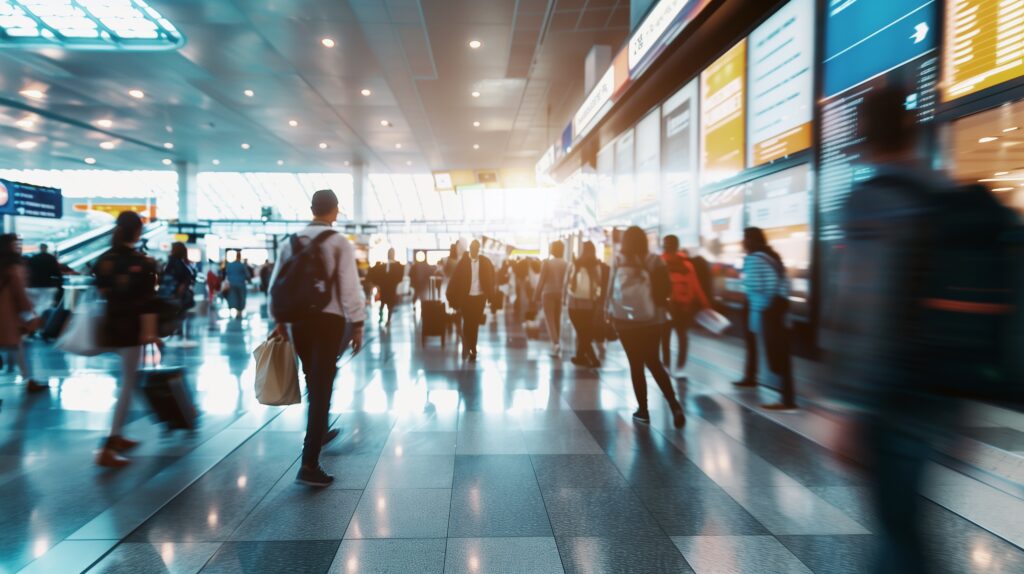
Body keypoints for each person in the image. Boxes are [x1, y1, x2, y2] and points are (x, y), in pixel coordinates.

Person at [268, 189, 366, 487]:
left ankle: (320, 428)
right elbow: (350, 287)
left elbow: (276, 283)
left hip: (299, 320)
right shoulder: (338, 242)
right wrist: (358, 323)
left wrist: (280, 320)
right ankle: (309, 463)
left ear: (312, 209)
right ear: (335, 211)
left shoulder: (292, 240)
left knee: (314, 377)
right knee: (322, 383)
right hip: (328, 319)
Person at [93, 212, 161, 467]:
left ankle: (118, 434)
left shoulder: (104, 260)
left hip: (111, 324)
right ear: (137, 232)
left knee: (130, 379)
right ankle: (109, 444)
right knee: (129, 381)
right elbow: (147, 302)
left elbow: (102, 290)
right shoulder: (141, 262)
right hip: (131, 328)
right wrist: (151, 333)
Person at [609, 226, 685, 428]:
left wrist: (607, 314)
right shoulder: (654, 260)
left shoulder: (618, 260)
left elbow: (610, 291)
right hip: (653, 320)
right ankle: (674, 404)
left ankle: (643, 410)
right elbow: (665, 291)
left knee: (636, 364)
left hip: (625, 320)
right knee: (654, 361)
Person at [738, 227, 796, 411]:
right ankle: (786, 398)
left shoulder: (754, 259)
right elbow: (785, 283)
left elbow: (755, 288)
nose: (742, 242)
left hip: (766, 311)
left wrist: (757, 314)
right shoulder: (773, 256)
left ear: (750, 240)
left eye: (745, 238)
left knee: (775, 355)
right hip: (780, 308)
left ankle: (786, 400)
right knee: (781, 354)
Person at [0, 234, 46, 394]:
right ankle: (29, 380)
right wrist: (31, 314)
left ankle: (29, 379)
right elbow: (19, 293)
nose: (18, 246)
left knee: (17, 347)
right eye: (15, 244)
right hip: (9, 315)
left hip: (6, 314)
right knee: (19, 347)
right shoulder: (14, 266)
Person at [661, 236, 710, 377]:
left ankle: (667, 367)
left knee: (666, 337)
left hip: (669, 306)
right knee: (681, 337)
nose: (667, 246)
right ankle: (679, 368)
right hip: (682, 306)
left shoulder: (661, 262)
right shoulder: (686, 264)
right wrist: (705, 304)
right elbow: (696, 286)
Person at [446, 239, 495, 362]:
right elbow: (455, 279)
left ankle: (471, 347)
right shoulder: (464, 262)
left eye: (476, 248)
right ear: (470, 249)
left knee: (475, 323)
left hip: (479, 297)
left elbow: (491, 278)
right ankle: (469, 347)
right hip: (466, 298)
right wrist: (452, 296)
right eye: (472, 248)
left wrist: (490, 296)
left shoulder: (485, 261)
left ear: (478, 249)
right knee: (468, 323)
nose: (474, 250)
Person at [566, 241, 602, 368]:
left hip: (574, 305)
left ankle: (592, 358)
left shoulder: (575, 263)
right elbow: (599, 284)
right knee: (585, 333)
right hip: (589, 305)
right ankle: (581, 357)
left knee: (582, 333)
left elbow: (568, 283)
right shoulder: (596, 265)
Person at [534, 241, 568, 357]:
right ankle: (557, 343)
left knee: (550, 320)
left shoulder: (547, 263)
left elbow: (541, 280)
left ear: (553, 249)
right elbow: (566, 282)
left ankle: (556, 344)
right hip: (560, 294)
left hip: (548, 293)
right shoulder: (565, 263)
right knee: (557, 319)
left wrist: (536, 295)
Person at [159, 242, 197, 314]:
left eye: (172, 249)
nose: (170, 250)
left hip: (170, 296)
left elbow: (183, 280)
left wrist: (177, 295)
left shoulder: (174, 262)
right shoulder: (183, 264)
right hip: (174, 296)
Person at [375, 248, 403, 325]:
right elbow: (399, 277)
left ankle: (385, 319)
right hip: (389, 288)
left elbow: (379, 277)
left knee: (384, 304)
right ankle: (386, 319)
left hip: (386, 288)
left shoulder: (384, 265)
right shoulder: (396, 266)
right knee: (387, 304)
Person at [224, 251, 249, 317]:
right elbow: (247, 275)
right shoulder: (242, 265)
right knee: (241, 297)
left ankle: (232, 310)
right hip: (241, 283)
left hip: (232, 283)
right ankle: (239, 312)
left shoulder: (230, 265)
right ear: (240, 257)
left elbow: (227, 274)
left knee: (233, 297)